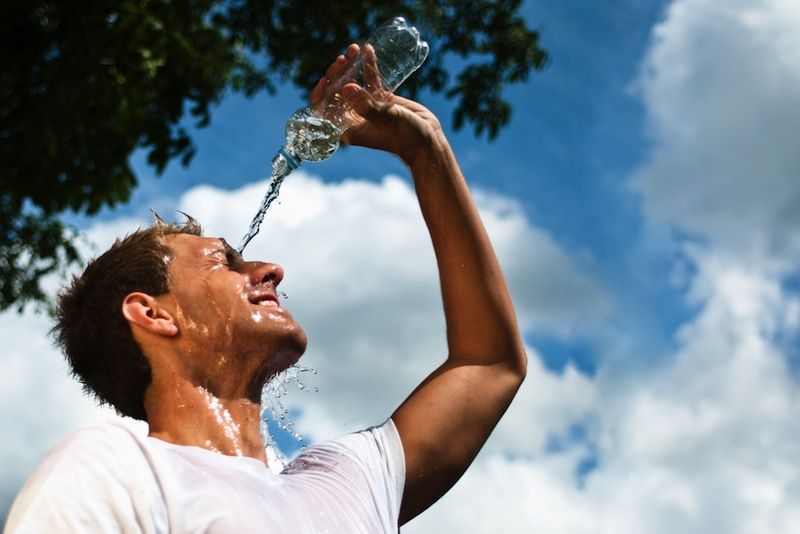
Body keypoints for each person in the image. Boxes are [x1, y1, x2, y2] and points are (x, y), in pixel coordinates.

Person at [5, 43, 526, 533]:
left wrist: (426, 151)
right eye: (222, 262)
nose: (271, 269)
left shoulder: (348, 478)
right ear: (153, 314)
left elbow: (489, 364)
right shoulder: (118, 470)